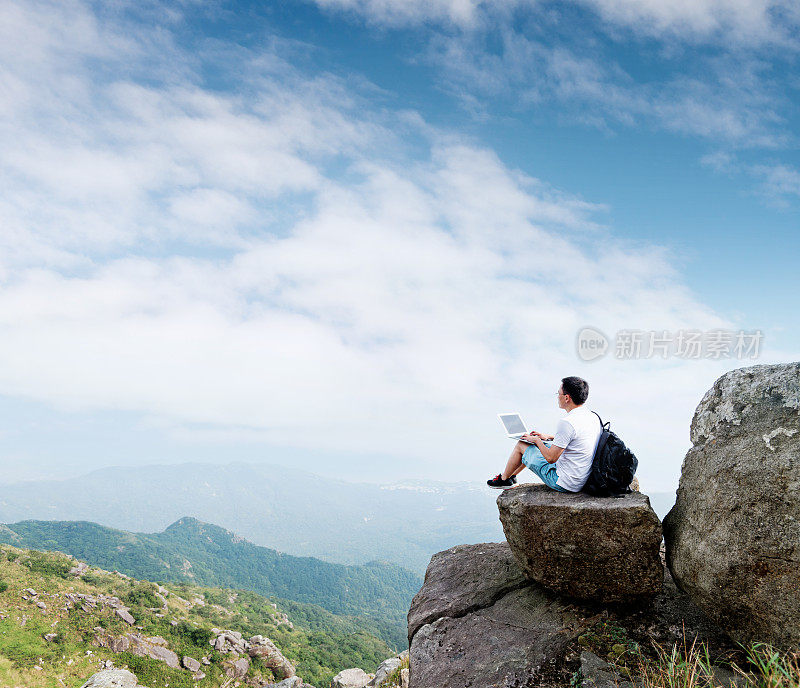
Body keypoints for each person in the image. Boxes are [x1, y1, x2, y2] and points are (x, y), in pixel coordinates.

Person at [487, 376, 601, 492]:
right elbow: (578, 439)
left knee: (522, 444)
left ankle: (504, 479)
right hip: (581, 477)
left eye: (558, 394)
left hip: (564, 482)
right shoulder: (592, 416)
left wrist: (537, 441)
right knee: (532, 444)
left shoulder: (567, 422)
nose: (557, 397)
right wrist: (548, 437)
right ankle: (511, 476)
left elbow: (551, 458)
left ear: (567, 398)